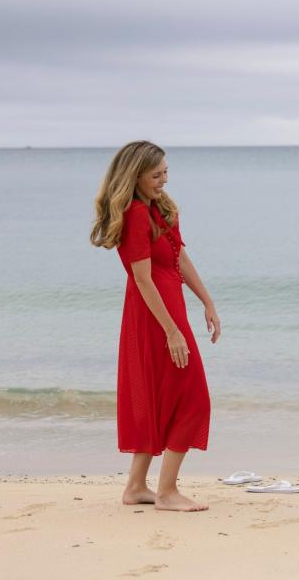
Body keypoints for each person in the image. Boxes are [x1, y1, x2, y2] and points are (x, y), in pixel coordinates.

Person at [91, 140, 220, 512]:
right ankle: (166, 491)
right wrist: (172, 331)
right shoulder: (133, 214)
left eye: (166, 172)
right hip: (154, 316)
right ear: (136, 176)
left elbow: (179, 256)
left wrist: (207, 301)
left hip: (169, 310)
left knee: (159, 397)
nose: (164, 179)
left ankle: (135, 487)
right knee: (193, 396)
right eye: (156, 174)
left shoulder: (159, 209)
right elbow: (143, 279)